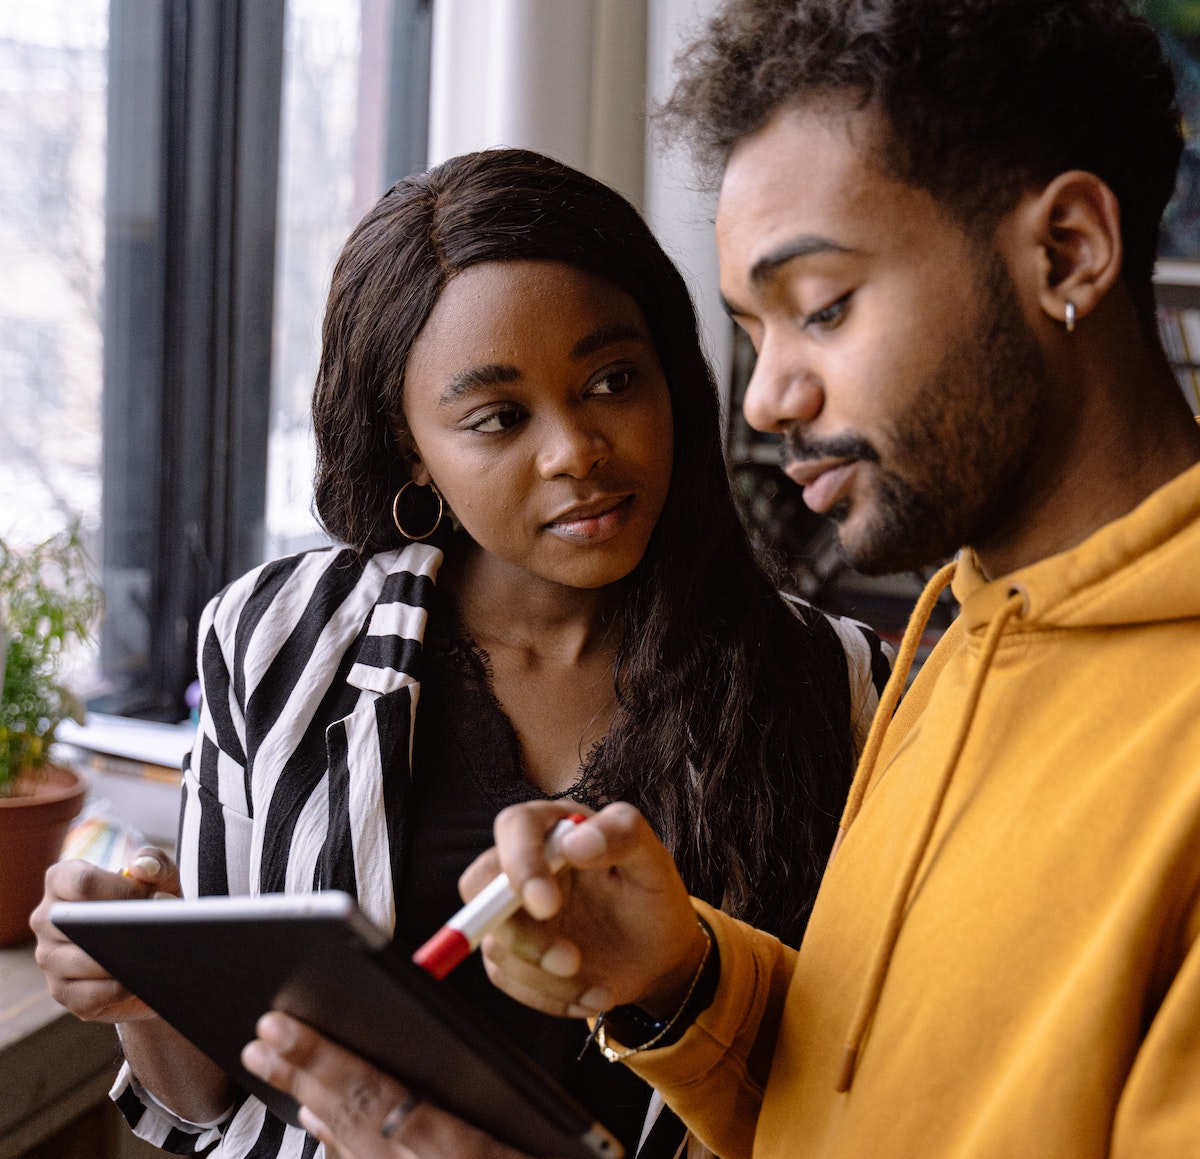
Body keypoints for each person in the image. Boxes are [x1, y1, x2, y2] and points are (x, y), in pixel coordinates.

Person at [235, 1, 1200, 1155]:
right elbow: (871, 1106)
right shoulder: (969, 648)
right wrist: (688, 981)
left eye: (824, 309)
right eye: (753, 330)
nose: (763, 400)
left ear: (1069, 252)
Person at [31, 147, 891, 1159]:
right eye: (498, 417)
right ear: (410, 446)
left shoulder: (832, 682)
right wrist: (141, 984)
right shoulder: (272, 645)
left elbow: (850, 1093)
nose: (575, 449)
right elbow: (216, 1100)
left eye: (615, 379)